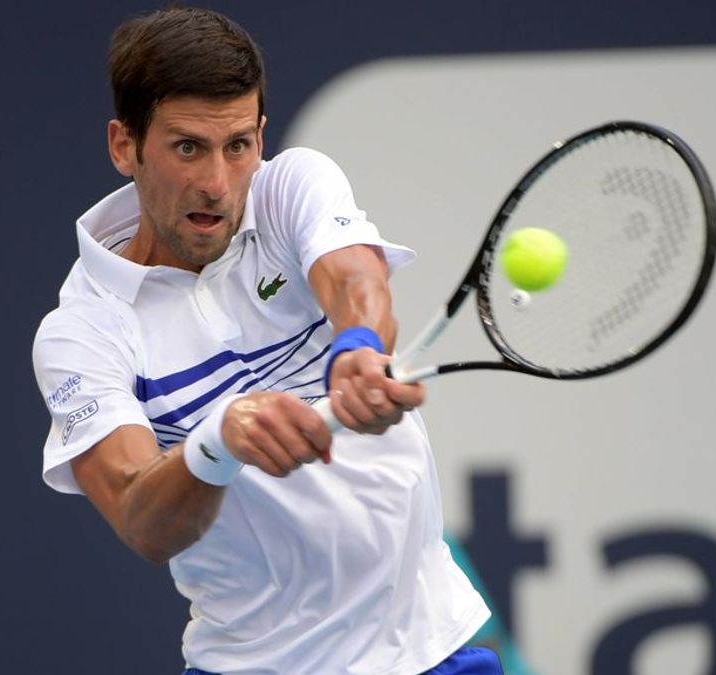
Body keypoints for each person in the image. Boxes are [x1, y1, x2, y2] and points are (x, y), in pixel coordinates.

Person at [32, 7, 496, 674]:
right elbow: (141, 517)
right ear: (124, 145)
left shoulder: (288, 188)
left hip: (428, 649)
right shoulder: (81, 333)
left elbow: (353, 274)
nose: (218, 184)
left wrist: (359, 345)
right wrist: (217, 443)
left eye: (239, 145)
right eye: (187, 146)